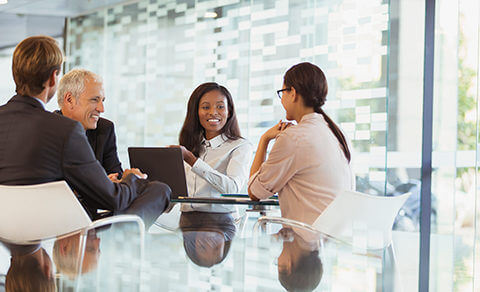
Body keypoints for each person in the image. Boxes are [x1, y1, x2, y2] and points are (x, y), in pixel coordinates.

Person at [0, 35, 170, 228]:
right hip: (53, 227)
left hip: (7, 229)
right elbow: (113, 199)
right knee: (157, 190)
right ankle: (119, 250)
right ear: (53, 77)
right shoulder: (63, 130)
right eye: (94, 100)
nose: (101, 108)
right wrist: (131, 177)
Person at [248, 62, 355, 225]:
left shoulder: (293, 138)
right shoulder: (337, 134)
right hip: (334, 240)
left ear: (293, 93)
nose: (281, 99)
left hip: (305, 242)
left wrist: (264, 139)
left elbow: (254, 192)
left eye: (282, 92)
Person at [172, 82, 252, 213]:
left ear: (229, 111)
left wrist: (192, 160)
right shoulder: (190, 146)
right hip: (186, 219)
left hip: (219, 221)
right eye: (205, 107)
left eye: (220, 107)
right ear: (196, 112)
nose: (213, 113)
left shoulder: (240, 146)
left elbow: (232, 189)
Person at [56, 68, 123, 181]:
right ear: (69, 100)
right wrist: (103, 185)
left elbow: (116, 176)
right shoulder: (47, 130)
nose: (101, 109)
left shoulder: (104, 129)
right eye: (94, 100)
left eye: (102, 101)